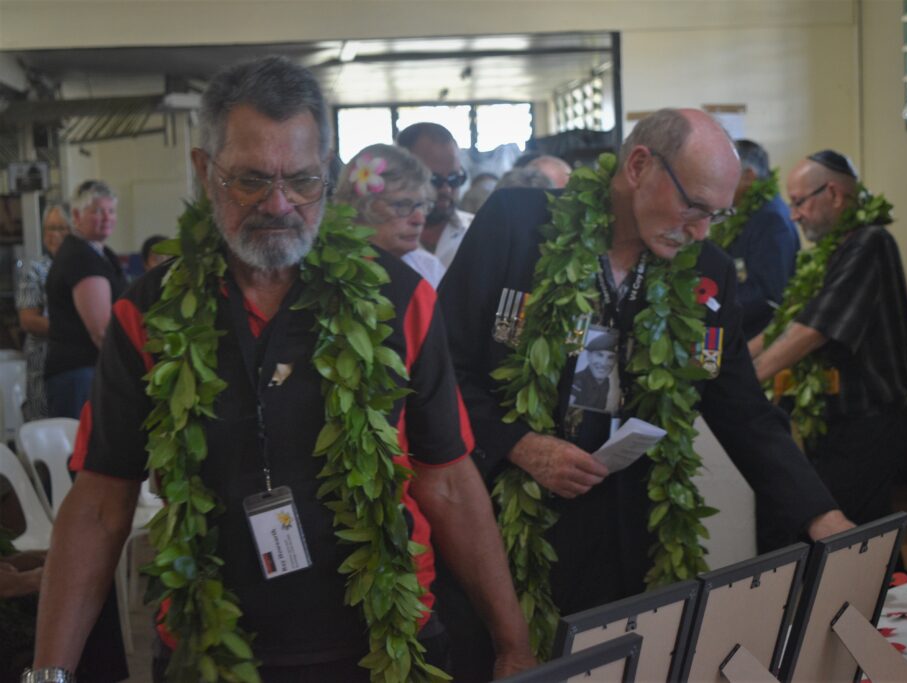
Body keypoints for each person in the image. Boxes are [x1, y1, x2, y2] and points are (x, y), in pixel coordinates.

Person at [28, 56, 533, 683]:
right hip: (209, 650)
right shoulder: (149, 313)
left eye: (301, 180)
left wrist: (514, 644)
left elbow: (449, 480)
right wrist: (45, 675)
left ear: (327, 170)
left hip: (386, 644)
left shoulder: (399, 299)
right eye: (249, 181)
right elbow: (102, 501)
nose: (279, 204)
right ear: (202, 171)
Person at [439, 108, 852, 675]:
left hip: (628, 533)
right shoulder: (519, 225)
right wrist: (519, 443)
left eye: (716, 214)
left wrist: (821, 516)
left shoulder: (704, 269)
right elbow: (443, 372)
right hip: (507, 525)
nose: (703, 231)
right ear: (638, 165)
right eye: (695, 207)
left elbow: (744, 414)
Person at [751, 149, 907, 528]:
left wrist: (744, 381)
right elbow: (788, 324)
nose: (793, 214)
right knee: (857, 534)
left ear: (835, 194)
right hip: (839, 425)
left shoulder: (869, 243)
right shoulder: (831, 251)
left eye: (798, 202)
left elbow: (812, 331)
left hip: (870, 424)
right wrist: (730, 365)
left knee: (850, 536)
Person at [44, 180, 127, 419]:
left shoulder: (100, 253)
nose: (107, 217)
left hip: (89, 371)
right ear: (77, 215)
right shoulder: (80, 257)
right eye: (97, 211)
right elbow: (101, 330)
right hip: (79, 373)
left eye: (111, 211)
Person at [712, 139, 800, 340]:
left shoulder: (772, 219)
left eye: (724, 174)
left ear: (749, 177)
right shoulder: (746, 212)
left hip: (757, 338)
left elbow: (767, 295)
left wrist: (712, 308)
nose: (718, 183)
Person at [335, 143, 446, 289]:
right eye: (401, 205)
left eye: (421, 205)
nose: (419, 220)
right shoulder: (329, 271)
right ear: (359, 206)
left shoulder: (429, 267)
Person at [16, 202, 70, 421]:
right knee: (48, 424)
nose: (54, 234)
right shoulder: (36, 267)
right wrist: (73, 330)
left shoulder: (79, 264)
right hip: (44, 363)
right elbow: (28, 320)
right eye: (49, 228)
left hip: (75, 363)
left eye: (60, 228)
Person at [396, 122, 473, 268]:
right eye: (433, 179)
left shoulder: (477, 232)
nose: (446, 190)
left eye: (454, 179)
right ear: (401, 175)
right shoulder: (380, 239)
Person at [569, 332, 618, 412]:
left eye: (610, 357)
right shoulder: (577, 381)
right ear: (589, 356)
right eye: (599, 355)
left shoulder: (606, 382)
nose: (604, 363)